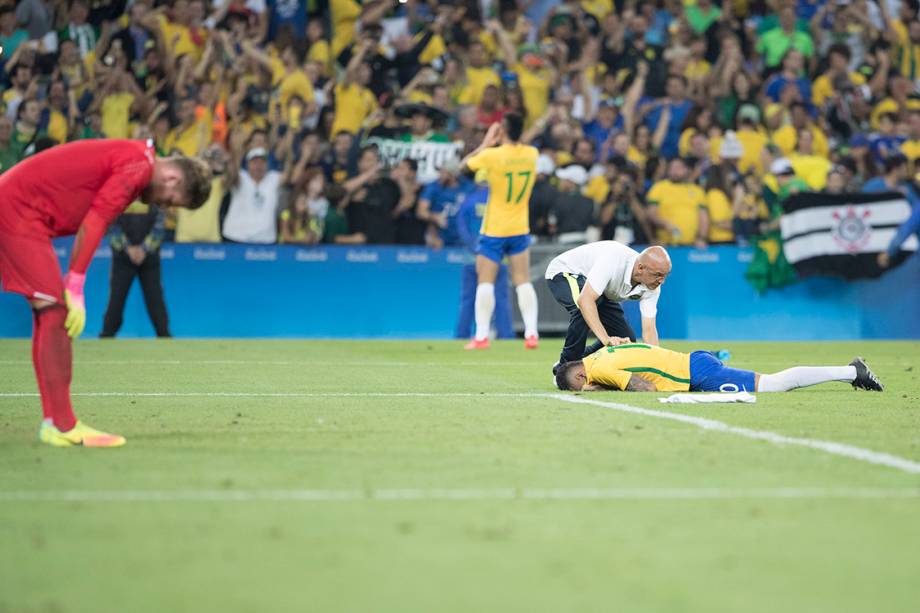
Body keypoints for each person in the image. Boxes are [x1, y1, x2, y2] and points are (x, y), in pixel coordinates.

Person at [0, 139, 211, 447]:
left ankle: (56, 422)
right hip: (17, 210)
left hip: (20, 208)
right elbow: (95, 220)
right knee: (55, 313)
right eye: (172, 200)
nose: (163, 206)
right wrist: (75, 284)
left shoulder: (137, 159)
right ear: (173, 179)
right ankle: (61, 424)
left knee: (50, 314)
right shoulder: (139, 166)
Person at [460, 113, 540, 350]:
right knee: (523, 281)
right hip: (520, 227)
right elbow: (520, 143)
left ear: (503, 131)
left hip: (494, 229)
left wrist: (485, 143)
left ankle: (482, 337)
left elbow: (463, 168)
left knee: (485, 282)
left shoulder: (491, 156)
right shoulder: (531, 154)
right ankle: (532, 334)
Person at [545, 241, 670, 379]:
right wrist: (605, 338)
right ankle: (565, 368)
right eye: (658, 275)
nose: (661, 281)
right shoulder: (614, 259)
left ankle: (580, 360)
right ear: (640, 268)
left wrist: (658, 368)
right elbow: (585, 300)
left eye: (665, 276)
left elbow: (649, 331)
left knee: (625, 339)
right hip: (565, 272)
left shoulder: (653, 286)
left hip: (598, 291)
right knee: (584, 309)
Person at [555, 344, 883, 393]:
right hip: (693, 361)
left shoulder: (603, 368)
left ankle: (852, 371)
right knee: (770, 382)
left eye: (581, 388)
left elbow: (646, 388)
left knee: (773, 384)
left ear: (581, 377)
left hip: (698, 374)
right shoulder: (602, 353)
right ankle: (851, 372)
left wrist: (603, 391)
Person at [100, 200, 170, 337]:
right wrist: (127, 248)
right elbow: (110, 221)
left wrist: (145, 248)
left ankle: (164, 335)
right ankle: (107, 334)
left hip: (149, 258)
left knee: (155, 298)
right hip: (122, 257)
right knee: (116, 299)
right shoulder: (119, 193)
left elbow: (160, 224)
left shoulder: (153, 192)